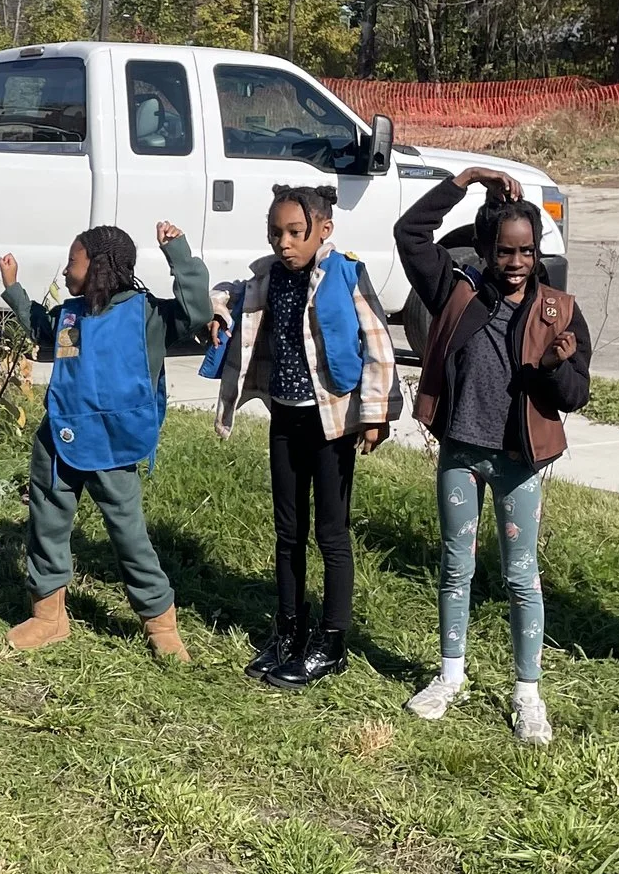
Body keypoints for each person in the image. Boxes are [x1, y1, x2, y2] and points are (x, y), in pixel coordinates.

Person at [396, 166, 594, 744]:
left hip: (518, 463)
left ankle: (527, 693)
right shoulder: (456, 290)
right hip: (461, 453)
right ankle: (449, 675)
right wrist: (463, 182)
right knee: (456, 567)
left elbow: (576, 395)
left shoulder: (558, 309)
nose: (515, 262)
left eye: (526, 251)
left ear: (538, 252)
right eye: (504, 251)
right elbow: (410, 235)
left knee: (521, 576)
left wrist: (555, 369)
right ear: (483, 249)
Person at [208, 185, 401, 689]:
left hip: (331, 424)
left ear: (323, 230)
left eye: (295, 233)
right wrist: (218, 312)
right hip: (286, 420)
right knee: (287, 533)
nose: (285, 243)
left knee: (330, 534)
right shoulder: (269, 277)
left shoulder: (344, 273)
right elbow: (232, 294)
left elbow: (378, 343)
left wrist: (375, 414)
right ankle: (289, 630)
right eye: (276, 233)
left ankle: (332, 640)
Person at [0, 223, 215, 660]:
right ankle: (48, 615)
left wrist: (179, 254)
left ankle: (160, 621)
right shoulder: (72, 314)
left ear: (97, 266)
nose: (65, 269)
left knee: (128, 531)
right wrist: (14, 289)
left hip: (114, 445)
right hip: (59, 438)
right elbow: (43, 331)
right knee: (47, 524)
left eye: (72, 261)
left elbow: (196, 311)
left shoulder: (147, 315)